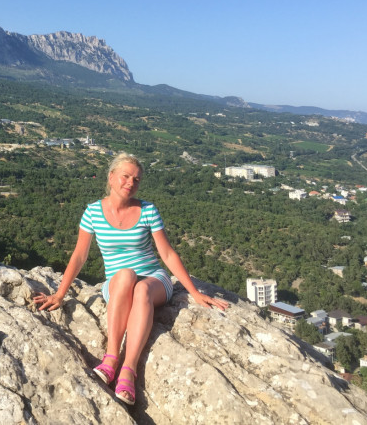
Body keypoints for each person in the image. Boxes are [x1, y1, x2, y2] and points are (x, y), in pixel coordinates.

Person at [33, 152, 229, 405]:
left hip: (154, 280)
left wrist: (194, 292)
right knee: (126, 275)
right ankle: (111, 358)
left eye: (136, 179)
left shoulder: (148, 210)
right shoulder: (93, 212)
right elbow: (80, 255)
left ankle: (129, 369)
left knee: (141, 289)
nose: (131, 182)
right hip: (118, 283)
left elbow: (167, 254)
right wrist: (60, 294)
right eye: (125, 176)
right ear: (111, 177)